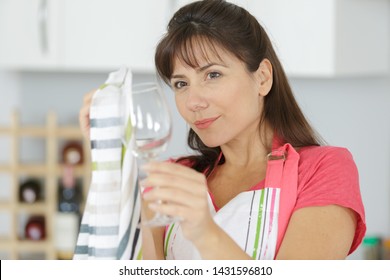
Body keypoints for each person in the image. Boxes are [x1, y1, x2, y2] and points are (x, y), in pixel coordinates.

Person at [79, 0, 366, 260]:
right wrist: (112, 160)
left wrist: (204, 230)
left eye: (212, 75)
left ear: (263, 78)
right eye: (181, 83)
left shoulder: (324, 170)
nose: (193, 101)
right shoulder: (172, 177)